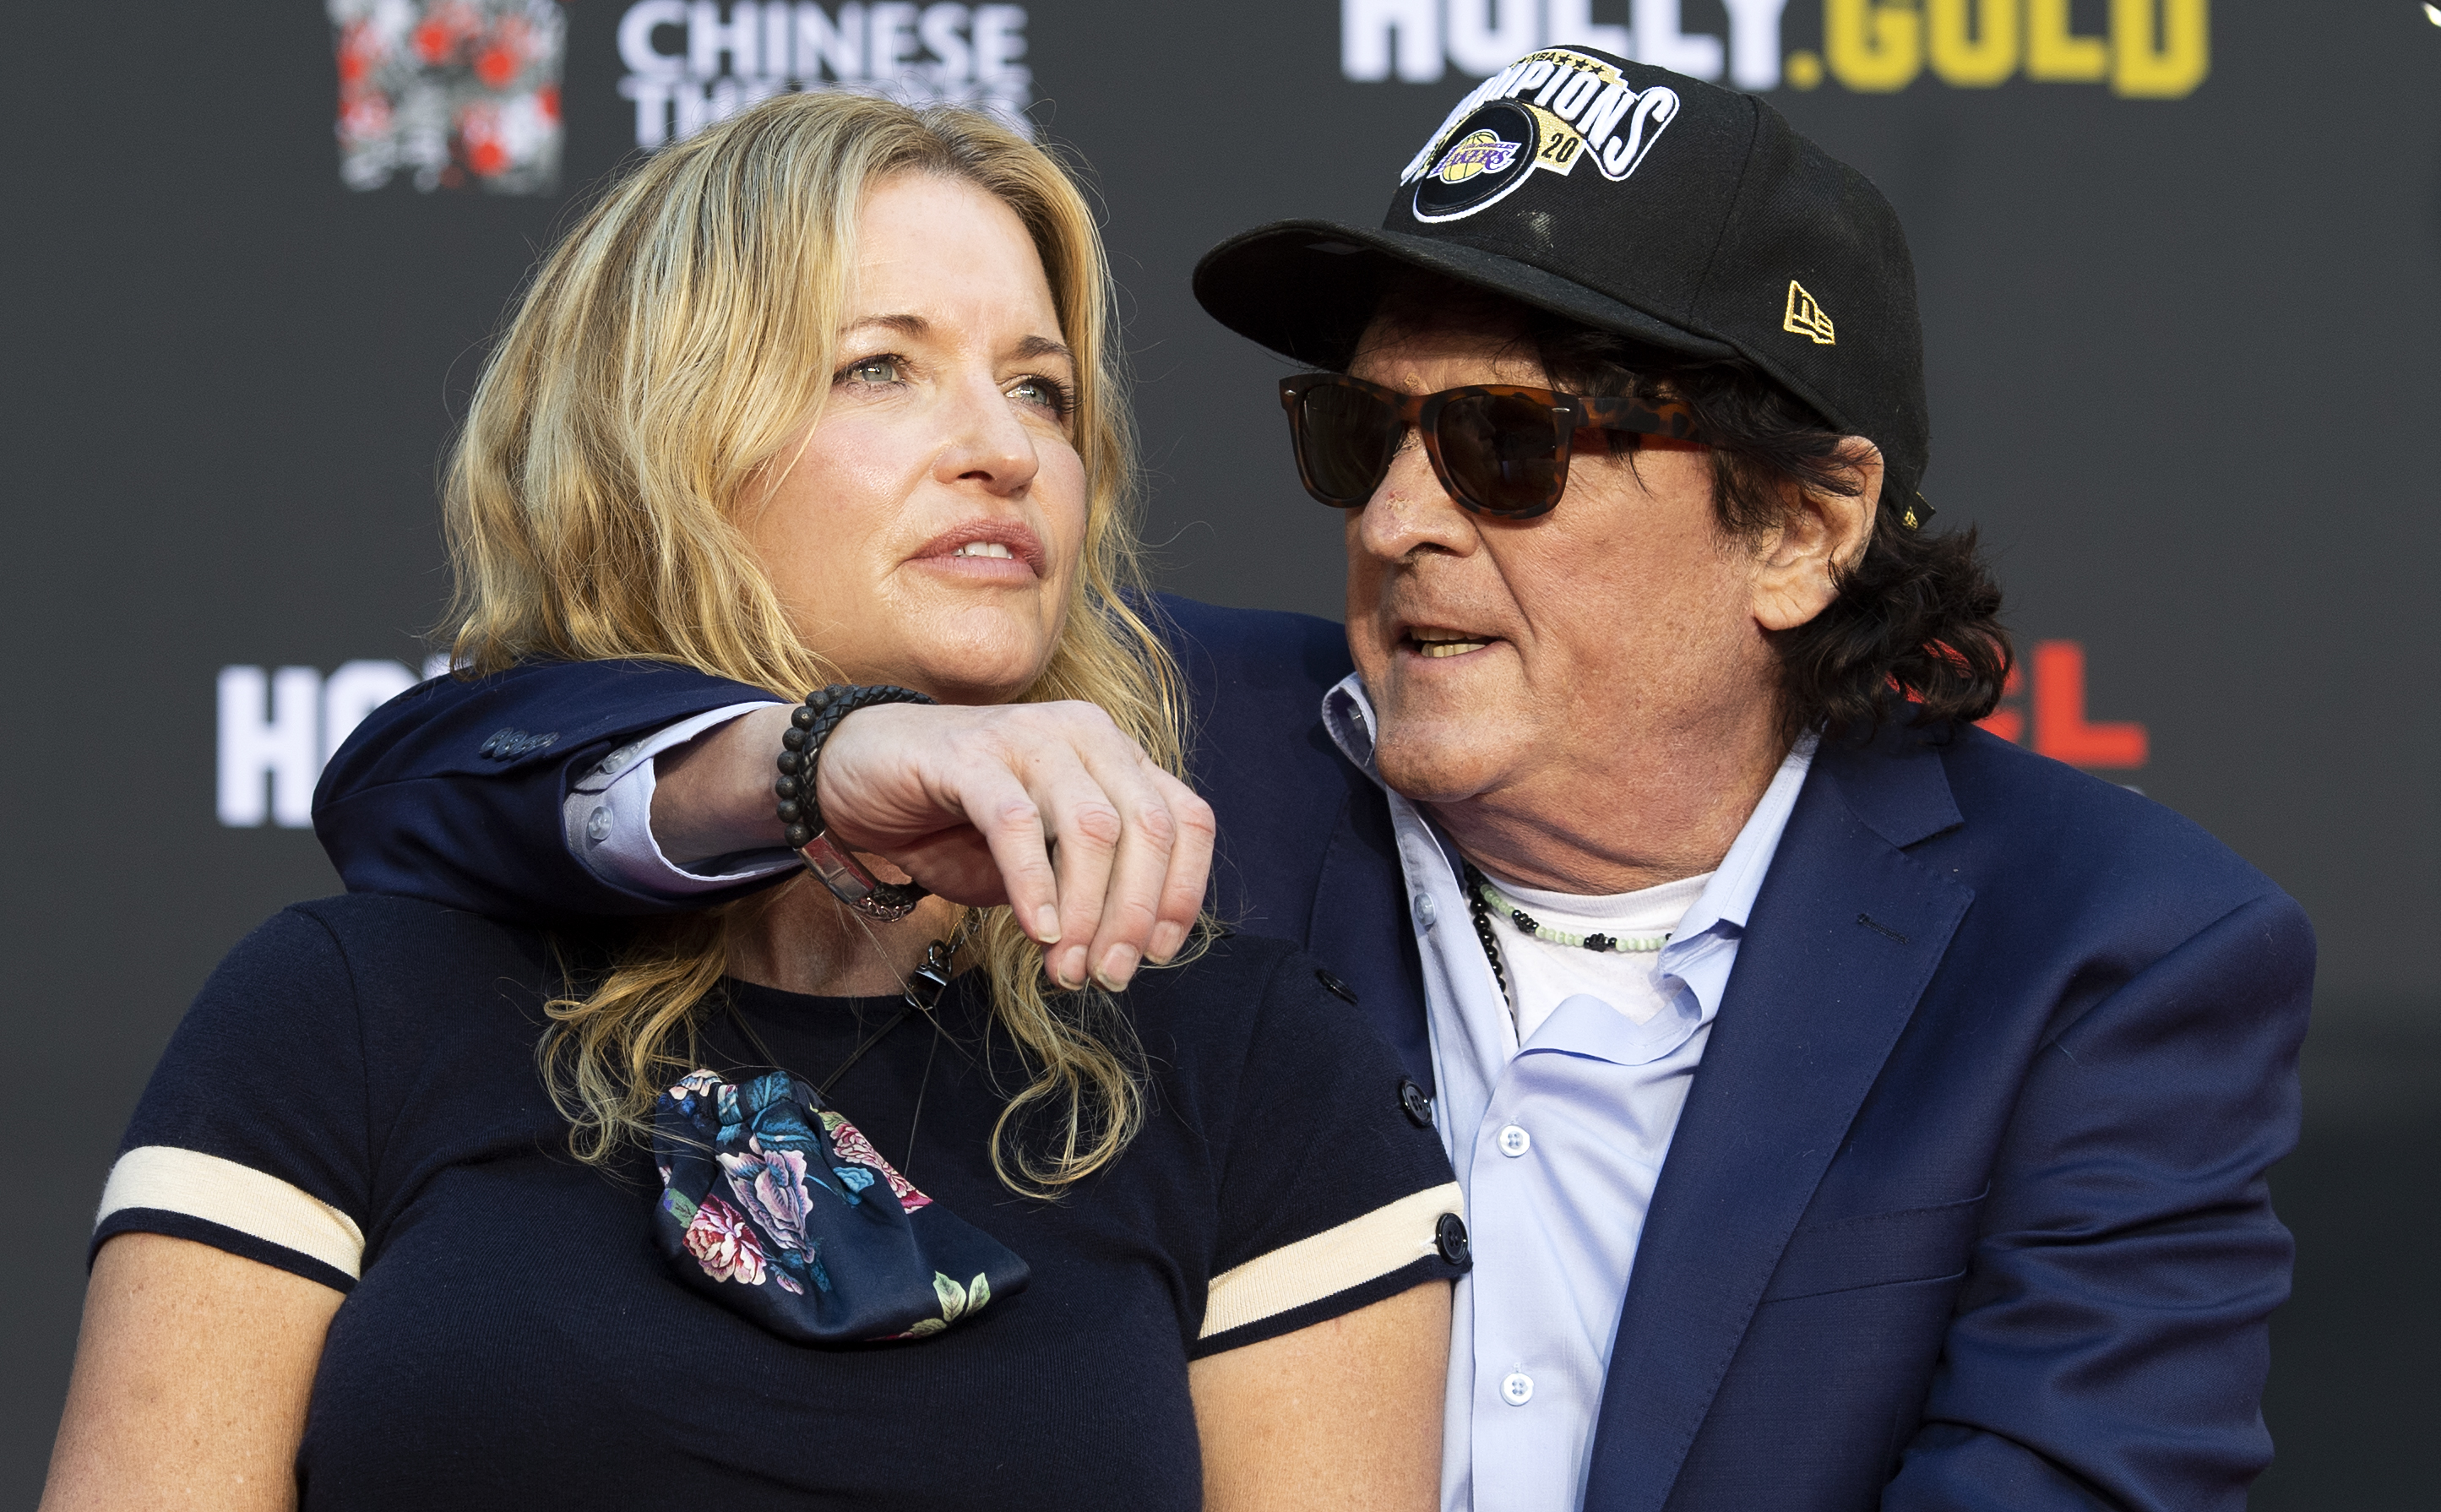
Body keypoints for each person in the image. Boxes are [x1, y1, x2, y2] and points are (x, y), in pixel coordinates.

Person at [299, 49, 2311, 1511]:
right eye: (1360, 437)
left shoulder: (2104, 954)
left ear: (1797, 525)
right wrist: (822, 748)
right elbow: (425, 780)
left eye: (1508, 448)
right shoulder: (1132, 736)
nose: (1402, 522)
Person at [46, 94, 1470, 1511]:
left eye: (1040, 387)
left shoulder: (1257, 1064)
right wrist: (808, 760)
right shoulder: (349, 1009)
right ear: (659, 443)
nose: (1005, 446)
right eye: (878, 369)